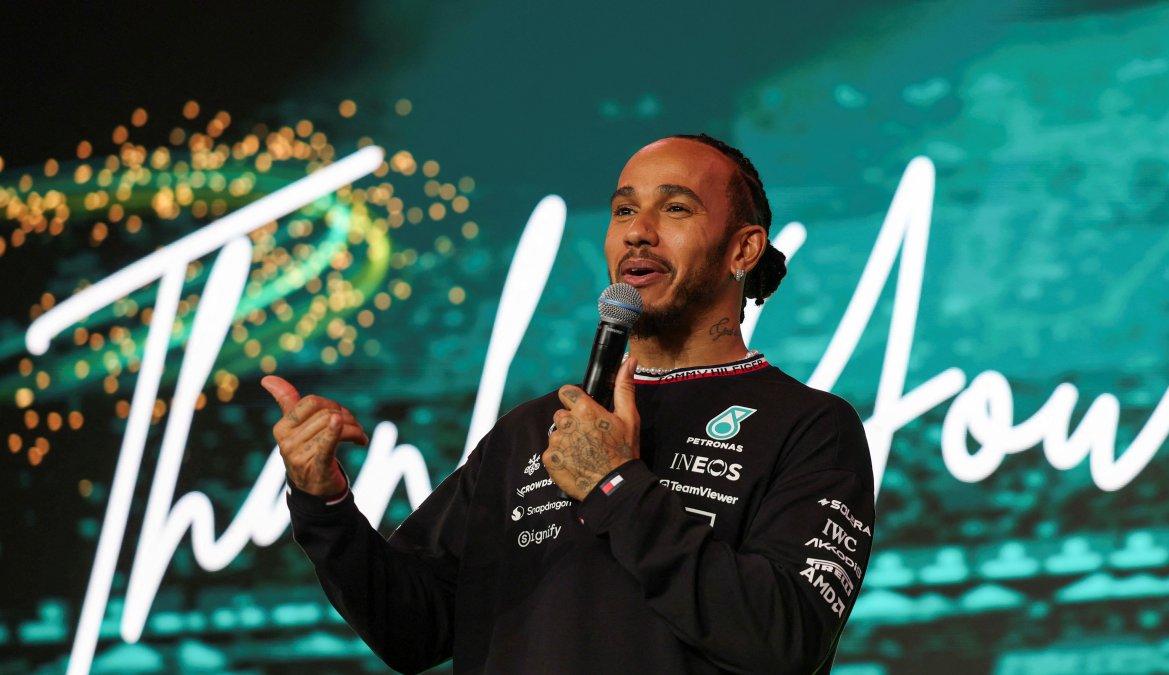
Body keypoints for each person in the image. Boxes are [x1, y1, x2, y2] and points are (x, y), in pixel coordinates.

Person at [263, 134, 875, 674]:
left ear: (743, 250)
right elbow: (412, 631)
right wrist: (324, 505)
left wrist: (614, 486)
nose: (638, 230)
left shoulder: (812, 427)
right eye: (624, 209)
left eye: (676, 207)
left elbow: (786, 639)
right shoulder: (533, 430)